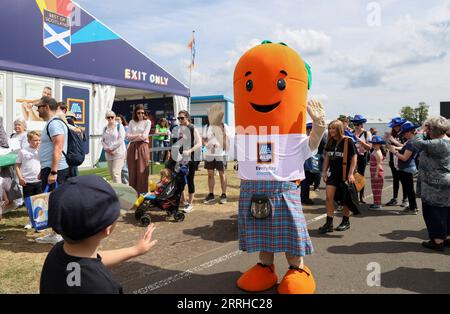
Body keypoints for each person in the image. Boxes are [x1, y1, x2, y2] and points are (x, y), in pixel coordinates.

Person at [40, 175, 157, 294]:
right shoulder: (102, 287)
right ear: (108, 228)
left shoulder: (57, 252)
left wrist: (136, 250)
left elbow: (91, 260)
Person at [410, 117, 450, 251]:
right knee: (446, 211)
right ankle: (447, 237)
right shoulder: (447, 141)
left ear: (432, 129)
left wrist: (422, 130)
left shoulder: (438, 143)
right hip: (445, 181)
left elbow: (416, 143)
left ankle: (438, 241)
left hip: (434, 184)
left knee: (433, 212)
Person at [34, 96, 69, 244]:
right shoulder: (52, 123)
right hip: (50, 168)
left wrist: (53, 171)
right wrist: (44, 169)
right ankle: (56, 232)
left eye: (39, 107)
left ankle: (59, 234)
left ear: (46, 107)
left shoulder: (54, 124)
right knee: (51, 201)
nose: (37, 109)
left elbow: (58, 147)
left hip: (56, 169)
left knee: (55, 201)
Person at [320, 120, 358, 233]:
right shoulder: (330, 141)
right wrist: (324, 171)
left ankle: (345, 221)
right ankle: (329, 222)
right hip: (333, 174)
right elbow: (327, 157)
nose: (331, 130)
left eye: (334, 128)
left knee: (345, 199)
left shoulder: (348, 141)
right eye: (330, 128)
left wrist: (351, 174)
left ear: (339, 129)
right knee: (328, 197)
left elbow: (354, 157)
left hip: (345, 175)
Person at [388, 121, 420, 215]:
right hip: (407, 168)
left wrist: (394, 151)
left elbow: (405, 158)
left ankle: (413, 208)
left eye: (405, 133)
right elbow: (403, 148)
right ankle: (412, 206)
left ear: (410, 132)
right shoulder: (412, 141)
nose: (404, 135)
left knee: (409, 189)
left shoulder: (411, 143)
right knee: (408, 188)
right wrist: (394, 147)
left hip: (407, 168)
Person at [173, 110, 202, 213]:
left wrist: (190, 150)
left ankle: (190, 204)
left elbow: (199, 143)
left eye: (182, 118)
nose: (180, 120)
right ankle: (183, 201)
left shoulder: (192, 127)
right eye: (179, 118)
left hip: (192, 157)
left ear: (187, 118)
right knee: (180, 179)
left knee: (190, 179)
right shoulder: (178, 129)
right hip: (181, 158)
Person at [202, 105, 230, 205]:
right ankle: (211, 194)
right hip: (209, 154)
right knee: (210, 174)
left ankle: (223, 194)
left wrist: (220, 143)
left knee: (222, 174)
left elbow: (227, 140)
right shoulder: (206, 127)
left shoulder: (224, 126)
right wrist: (207, 145)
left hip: (220, 154)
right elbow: (204, 140)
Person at [15, 131, 42, 229]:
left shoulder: (41, 151)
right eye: (35, 140)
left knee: (40, 201)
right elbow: (17, 166)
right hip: (27, 182)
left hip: (39, 181)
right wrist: (20, 178)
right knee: (28, 202)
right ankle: (31, 220)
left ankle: (39, 221)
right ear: (29, 140)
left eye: (39, 140)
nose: (37, 142)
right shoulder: (23, 151)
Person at [126, 105, 151, 195]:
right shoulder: (132, 122)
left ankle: (143, 194)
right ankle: (133, 194)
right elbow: (127, 136)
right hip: (132, 148)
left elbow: (144, 136)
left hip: (143, 147)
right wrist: (138, 136)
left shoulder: (147, 122)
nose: (140, 114)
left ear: (145, 113)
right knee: (132, 171)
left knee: (142, 171)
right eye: (138, 113)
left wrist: (134, 137)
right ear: (135, 113)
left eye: (142, 112)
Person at [385, 117, 408, 207]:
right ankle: (394, 198)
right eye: (393, 126)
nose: (394, 127)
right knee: (395, 180)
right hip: (393, 159)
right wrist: (387, 140)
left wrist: (394, 141)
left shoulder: (405, 134)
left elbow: (406, 147)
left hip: (401, 160)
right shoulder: (393, 134)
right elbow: (388, 147)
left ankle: (405, 199)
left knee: (404, 181)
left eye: (396, 126)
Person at [351, 115, 372, 204]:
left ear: (362, 124)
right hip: (352, 156)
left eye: (358, 123)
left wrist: (359, 140)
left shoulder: (367, 133)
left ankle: (361, 196)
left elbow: (369, 147)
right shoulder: (351, 133)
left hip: (362, 156)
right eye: (354, 123)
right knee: (351, 175)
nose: (356, 125)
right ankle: (353, 195)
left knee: (361, 175)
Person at [102, 111, 126, 184]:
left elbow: (121, 139)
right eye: (108, 117)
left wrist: (111, 148)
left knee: (116, 173)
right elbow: (102, 140)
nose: (110, 118)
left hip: (118, 153)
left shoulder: (119, 126)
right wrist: (107, 149)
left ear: (115, 117)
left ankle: (120, 193)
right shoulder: (105, 128)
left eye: (112, 117)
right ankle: (118, 190)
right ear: (106, 118)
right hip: (109, 154)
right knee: (112, 175)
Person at [301, 123, 316, 205]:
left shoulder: (304, 138)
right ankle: (304, 198)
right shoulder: (307, 139)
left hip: (305, 163)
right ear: (309, 130)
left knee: (305, 181)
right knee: (305, 182)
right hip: (306, 163)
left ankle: (304, 197)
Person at [368, 136, 385, 210]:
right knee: (375, 189)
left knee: (377, 189)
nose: (374, 145)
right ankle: (376, 203)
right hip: (374, 172)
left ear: (380, 144)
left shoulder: (378, 152)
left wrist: (376, 175)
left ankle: (378, 204)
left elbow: (379, 164)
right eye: (373, 143)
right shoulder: (374, 151)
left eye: (376, 144)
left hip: (377, 173)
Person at [116, 115, 129, 185]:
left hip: (124, 151)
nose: (116, 121)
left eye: (118, 119)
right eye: (116, 120)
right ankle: (122, 185)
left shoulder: (126, 128)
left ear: (122, 120)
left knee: (124, 169)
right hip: (117, 152)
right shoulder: (114, 129)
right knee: (118, 170)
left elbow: (127, 140)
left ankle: (128, 184)